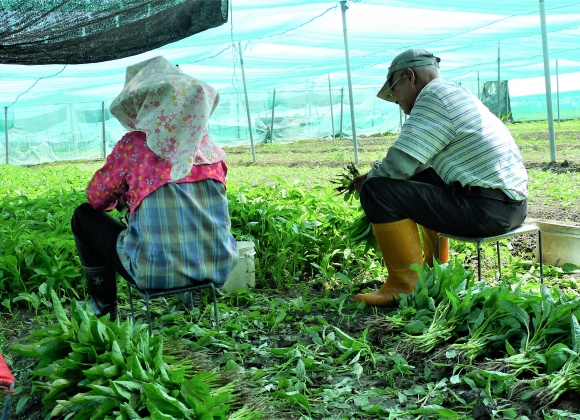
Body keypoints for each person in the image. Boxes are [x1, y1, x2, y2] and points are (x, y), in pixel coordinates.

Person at [348, 49, 528, 307]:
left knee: (377, 190)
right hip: (512, 208)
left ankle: (404, 286)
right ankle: (436, 270)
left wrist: (369, 180)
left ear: (409, 76)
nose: (398, 103)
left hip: (485, 211)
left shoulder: (432, 97)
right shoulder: (455, 94)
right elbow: (417, 165)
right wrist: (376, 173)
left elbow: (399, 164)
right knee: (421, 177)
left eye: (394, 93)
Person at [71, 56, 239, 318]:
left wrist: (123, 196)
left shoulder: (135, 145)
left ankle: (103, 307)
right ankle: (191, 290)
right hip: (219, 265)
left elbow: (96, 198)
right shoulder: (208, 146)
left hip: (153, 273)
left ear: (145, 103)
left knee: (83, 216)